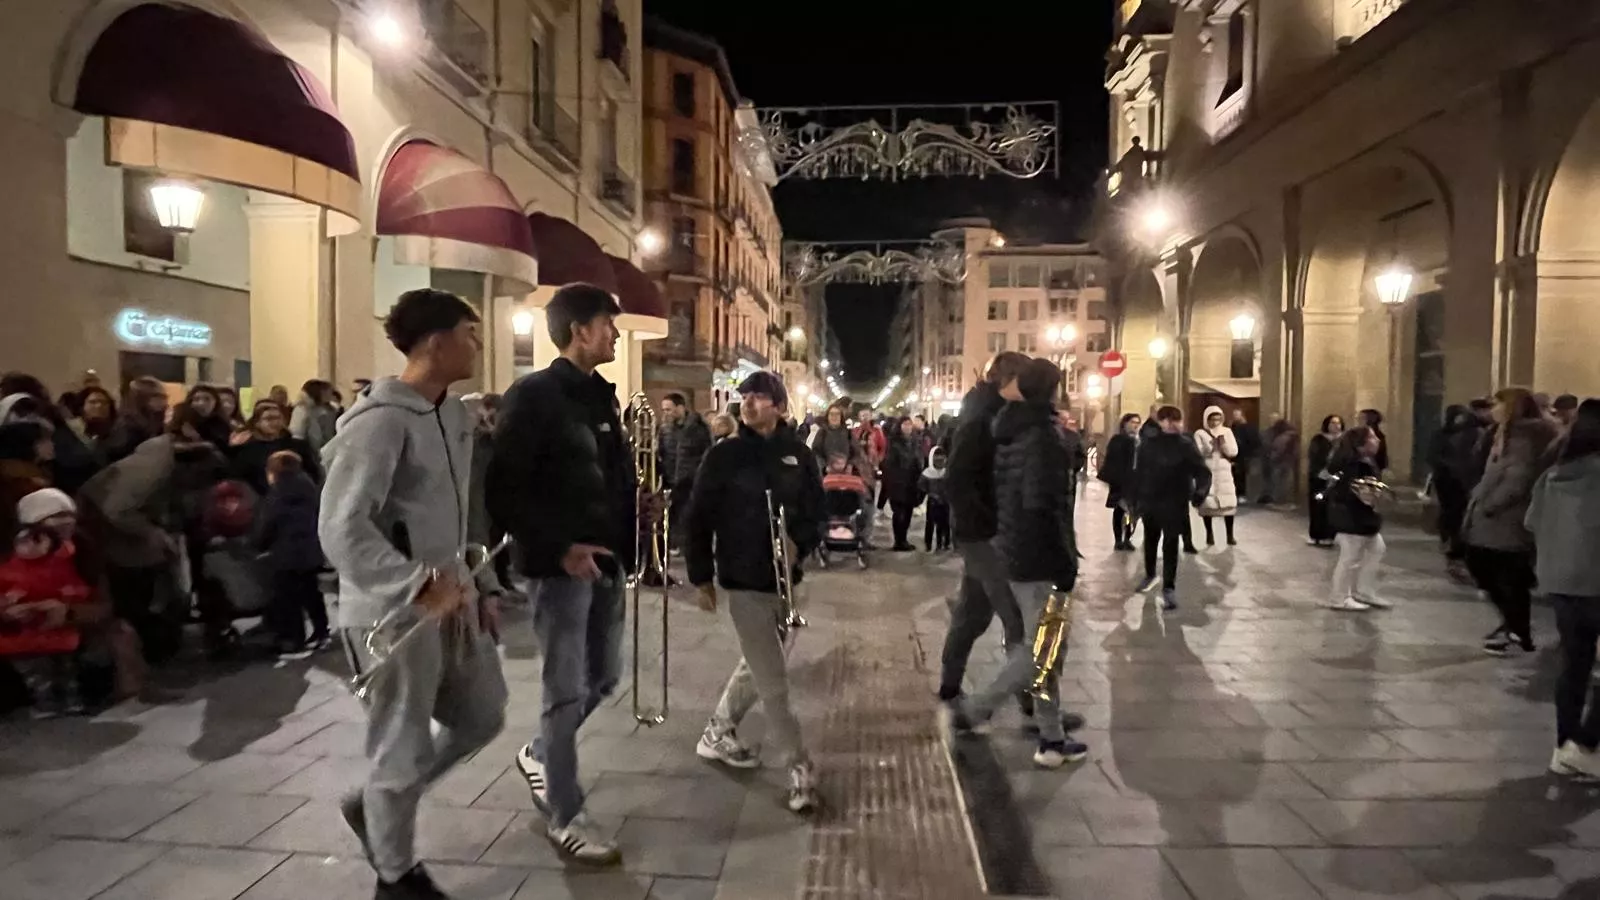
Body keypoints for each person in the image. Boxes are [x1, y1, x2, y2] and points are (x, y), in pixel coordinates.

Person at [319, 288, 508, 900]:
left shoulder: (450, 414)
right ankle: (395, 878)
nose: (477, 344)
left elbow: (462, 511)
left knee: (482, 716)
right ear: (435, 342)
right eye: (470, 332)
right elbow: (342, 526)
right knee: (399, 747)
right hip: (396, 615)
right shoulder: (377, 424)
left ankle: (372, 805)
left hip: (454, 601)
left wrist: (480, 585)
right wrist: (415, 584)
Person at [488, 283, 637, 865]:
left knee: (603, 679)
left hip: (606, 559)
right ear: (579, 329)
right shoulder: (534, 395)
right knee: (563, 689)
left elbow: (607, 477)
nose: (616, 334)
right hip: (560, 569)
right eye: (608, 324)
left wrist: (634, 518)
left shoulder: (602, 397)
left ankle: (541, 754)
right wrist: (557, 548)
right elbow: (504, 491)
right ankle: (566, 815)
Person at [685, 371, 824, 812]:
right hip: (742, 580)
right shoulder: (725, 456)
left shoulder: (799, 456)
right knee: (774, 681)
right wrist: (701, 575)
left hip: (784, 579)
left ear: (780, 406)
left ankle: (717, 732)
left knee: (759, 664)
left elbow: (815, 511)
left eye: (760, 397)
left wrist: (799, 542)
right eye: (745, 396)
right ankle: (799, 767)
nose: (748, 403)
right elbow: (697, 516)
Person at [942, 358, 1088, 768]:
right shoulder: (1040, 436)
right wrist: (1064, 560)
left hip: (1013, 547)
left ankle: (1052, 734)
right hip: (1038, 555)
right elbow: (1044, 504)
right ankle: (977, 709)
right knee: (1039, 646)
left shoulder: (1008, 427)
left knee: (1041, 643)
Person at [937, 353, 1029, 707]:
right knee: (1016, 615)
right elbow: (958, 478)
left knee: (973, 611)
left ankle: (949, 682)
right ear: (1008, 380)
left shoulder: (988, 412)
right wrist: (985, 528)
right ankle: (1032, 701)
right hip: (986, 533)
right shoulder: (982, 419)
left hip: (981, 531)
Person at [1526, 400, 1600, 779]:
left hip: (1561, 584)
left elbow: (1531, 521)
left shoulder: (1554, 475)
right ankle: (1585, 744)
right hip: (1595, 582)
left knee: (1575, 665)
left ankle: (1563, 747)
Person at [1462, 387, 1559, 655]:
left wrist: (1492, 505)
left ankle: (1517, 629)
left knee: (1503, 574)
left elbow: (1518, 476)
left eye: (1498, 403)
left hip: (1507, 517)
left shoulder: (1524, 436)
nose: (1493, 408)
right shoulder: (1506, 432)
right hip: (1495, 514)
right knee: (1501, 573)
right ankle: (1515, 627)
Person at [1130, 406, 1211, 611]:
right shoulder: (1148, 446)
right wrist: (1135, 500)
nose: (1175, 424)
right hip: (1151, 500)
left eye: (1177, 420)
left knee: (1171, 543)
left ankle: (1169, 586)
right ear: (1162, 422)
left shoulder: (1185, 445)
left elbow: (1202, 471)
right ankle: (1149, 574)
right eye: (1169, 420)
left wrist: (1200, 492)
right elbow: (1139, 473)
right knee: (1150, 540)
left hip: (1175, 501)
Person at [254, 450, 327, 657]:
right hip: (310, 550)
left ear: (272, 472)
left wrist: (259, 544)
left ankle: (295, 639)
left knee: (289, 597)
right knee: (312, 592)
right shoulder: (309, 487)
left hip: (285, 554)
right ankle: (321, 631)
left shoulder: (277, 492)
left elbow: (268, 523)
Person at [1323, 426, 1391, 611]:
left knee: (1376, 549)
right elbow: (1360, 493)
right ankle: (1339, 598)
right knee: (1349, 558)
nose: (1377, 440)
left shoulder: (1364, 461)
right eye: (1373, 437)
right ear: (1361, 444)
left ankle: (1364, 591)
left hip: (1362, 518)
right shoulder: (1355, 464)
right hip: (1352, 517)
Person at [658, 393, 711, 553]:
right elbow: (662, 452)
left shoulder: (699, 427)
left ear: (680, 408)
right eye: (664, 410)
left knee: (687, 515)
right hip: (671, 478)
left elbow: (707, 452)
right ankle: (674, 544)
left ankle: (685, 545)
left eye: (669, 409)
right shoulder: (665, 429)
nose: (665, 413)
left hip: (691, 479)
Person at [1193, 405, 1239, 546]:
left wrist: (1223, 444)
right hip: (1209, 468)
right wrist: (1211, 446)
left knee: (1228, 504)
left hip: (1224, 471)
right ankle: (1209, 535)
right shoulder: (1200, 433)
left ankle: (1229, 535)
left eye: (1218, 419)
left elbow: (1233, 452)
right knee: (1209, 503)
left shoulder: (1227, 432)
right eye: (1212, 419)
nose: (1215, 422)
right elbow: (1198, 452)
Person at [881, 417, 925, 551]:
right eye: (905, 424)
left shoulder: (915, 442)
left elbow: (919, 459)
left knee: (907, 513)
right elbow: (889, 465)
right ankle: (898, 541)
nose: (907, 427)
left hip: (912, 483)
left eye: (909, 424)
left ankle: (904, 539)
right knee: (899, 513)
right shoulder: (894, 443)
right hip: (898, 483)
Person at [1098, 413, 1140, 550]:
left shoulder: (1139, 441)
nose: (1135, 425)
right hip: (1121, 481)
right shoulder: (1118, 440)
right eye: (1133, 422)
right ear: (1125, 423)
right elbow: (1113, 461)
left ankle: (1127, 537)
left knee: (1130, 512)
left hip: (1134, 481)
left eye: (1137, 423)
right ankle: (1118, 539)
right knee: (1120, 510)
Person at [1306, 415, 1344, 546]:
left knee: (1331, 508)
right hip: (1319, 477)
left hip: (1336, 478)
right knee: (1317, 506)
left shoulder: (1344, 440)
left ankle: (1329, 535)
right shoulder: (1319, 439)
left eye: (1338, 423)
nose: (1336, 425)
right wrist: (1320, 471)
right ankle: (1315, 534)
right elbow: (1313, 456)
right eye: (1333, 423)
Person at [920, 447, 951, 552]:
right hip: (934, 501)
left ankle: (943, 543)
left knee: (944, 524)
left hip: (943, 501)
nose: (939, 459)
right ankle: (930, 544)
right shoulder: (927, 473)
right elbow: (921, 487)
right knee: (931, 524)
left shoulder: (946, 472)